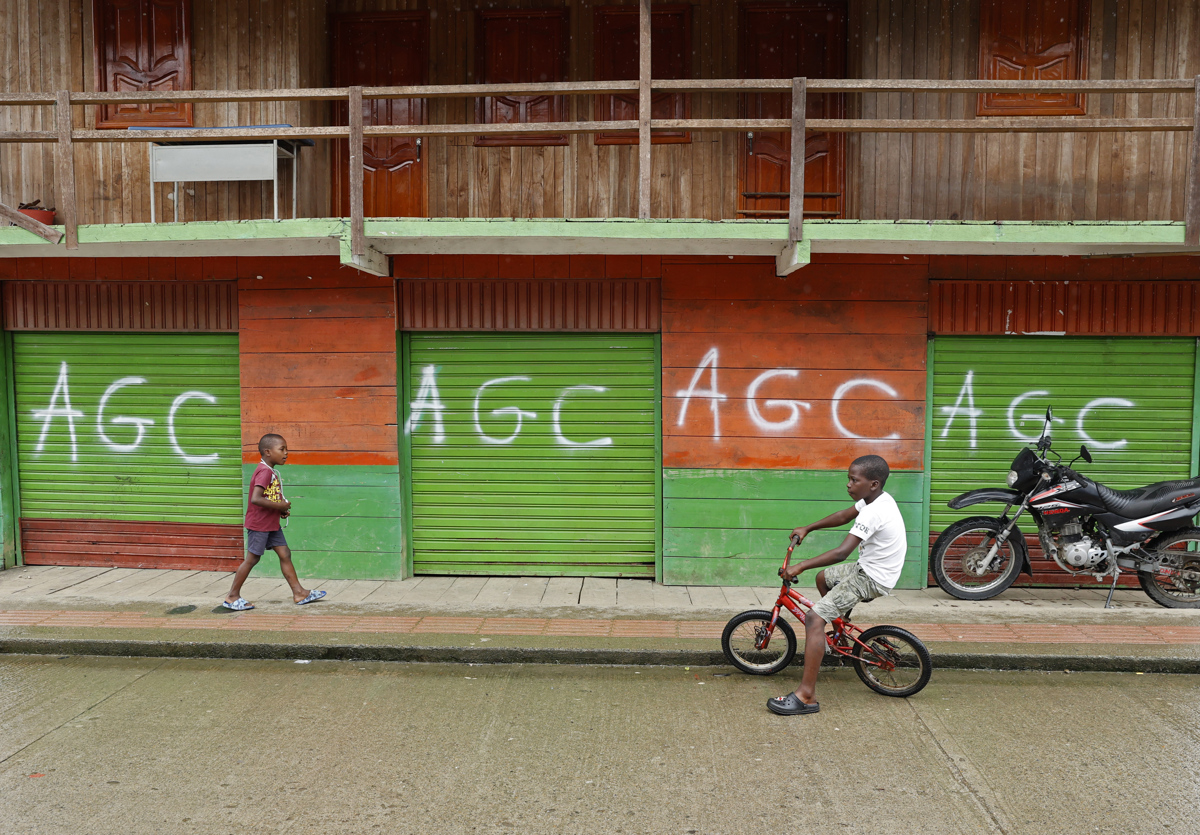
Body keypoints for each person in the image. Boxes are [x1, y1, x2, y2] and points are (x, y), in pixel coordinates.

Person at [766, 454, 906, 716]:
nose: (848, 485)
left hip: (871, 577)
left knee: (814, 619)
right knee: (824, 579)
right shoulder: (876, 499)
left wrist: (800, 565)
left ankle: (806, 696)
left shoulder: (875, 512)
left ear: (873, 483)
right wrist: (808, 527)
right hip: (871, 568)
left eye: (854, 480)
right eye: (849, 479)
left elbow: (842, 552)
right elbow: (843, 515)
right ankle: (839, 631)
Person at [222, 433, 326, 611]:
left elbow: (268, 498)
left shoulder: (270, 471)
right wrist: (279, 506)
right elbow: (255, 498)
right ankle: (232, 597)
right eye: (282, 449)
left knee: (284, 553)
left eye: (286, 449)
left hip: (270, 524)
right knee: (252, 559)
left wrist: (280, 510)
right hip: (259, 524)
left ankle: (299, 593)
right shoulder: (264, 472)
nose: (286, 453)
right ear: (268, 452)